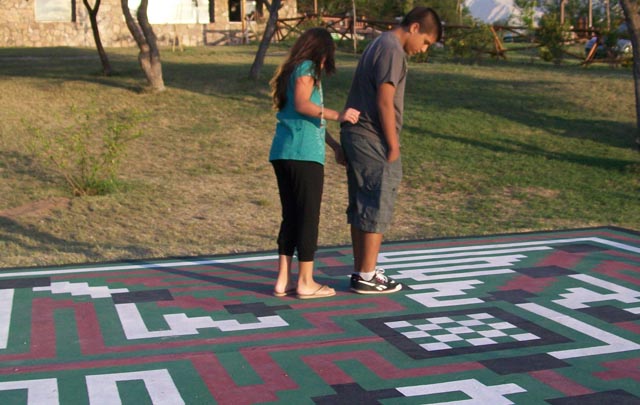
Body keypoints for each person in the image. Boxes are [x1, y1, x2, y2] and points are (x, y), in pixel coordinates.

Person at [340, 7, 442, 294]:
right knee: (377, 202)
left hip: (358, 134)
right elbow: (385, 100)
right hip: (373, 136)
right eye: (425, 42)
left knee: (363, 203)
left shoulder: (377, 42)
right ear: (414, 28)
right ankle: (368, 274)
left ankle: (362, 270)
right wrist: (393, 143)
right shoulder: (392, 49)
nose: (423, 50)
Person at [269, 27, 360, 299]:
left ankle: (283, 280)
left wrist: (334, 147)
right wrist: (339, 114)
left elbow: (311, 118)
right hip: (303, 155)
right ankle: (306, 281)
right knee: (308, 216)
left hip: (284, 152)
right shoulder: (307, 68)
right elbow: (302, 105)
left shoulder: (291, 71)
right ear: (322, 51)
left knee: (292, 216)